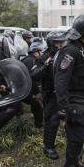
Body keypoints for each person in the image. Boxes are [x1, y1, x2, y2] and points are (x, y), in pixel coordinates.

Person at [54, 14, 84, 167]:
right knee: (75, 139)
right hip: (74, 103)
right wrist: (63, 108)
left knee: (79, 137)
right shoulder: (70, 50)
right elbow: (61, 80)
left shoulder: (83, 48)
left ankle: (74, 165)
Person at [31, 31, 67, 160]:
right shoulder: (44, 57)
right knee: (52, 120)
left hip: (65, 93)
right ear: (51, 43)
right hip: (51, 93)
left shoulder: (65, 55)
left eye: (62, 42)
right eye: (58, 42)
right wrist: (46, 66)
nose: (61, 44)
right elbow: (33, 75)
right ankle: (48, 146)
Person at [21, 42, 44, 128]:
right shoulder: (32, 61)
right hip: (25, 88)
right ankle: (39, 124)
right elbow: (32, 78)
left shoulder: (26, 59)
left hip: (23, 88)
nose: (42, 54)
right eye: (41, 52)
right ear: (35, 52)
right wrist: (36, 92)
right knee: (37, 104)